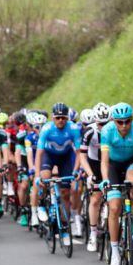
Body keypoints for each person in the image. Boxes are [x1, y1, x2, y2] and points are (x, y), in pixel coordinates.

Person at [98, 102, 133, 265]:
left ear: (132, 120)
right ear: (114, 121)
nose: (124, 125)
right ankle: (114, 254)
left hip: (132, 161)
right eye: (120, 122)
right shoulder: (106, 131)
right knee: (114, 207)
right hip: (113, 165)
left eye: (127, 121)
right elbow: (104, 160)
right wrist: (105, 180)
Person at [34, 103, 82, 246]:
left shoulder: (73, 129)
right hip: (49, 155)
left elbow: (79, 153)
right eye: (57, 117)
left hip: (65, 157)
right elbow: (39, 153)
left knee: (66, 193)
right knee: (45, 177)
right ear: (53, 118)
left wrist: (76, 170)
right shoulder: (47, 129)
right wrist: (37, 175)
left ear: (67, 118)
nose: (60, 120)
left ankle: (65, 228)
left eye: (63, 118)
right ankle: (41, 203)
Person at [79, 103, 110, 251]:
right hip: (94, 165)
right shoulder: (89, 132)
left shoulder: (114, 130)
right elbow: (82, 156)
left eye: (106, 123)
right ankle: (92, 233)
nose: (103, 127)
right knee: (96, 198)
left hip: (110, 163)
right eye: (100, 124)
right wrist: (90, 174)